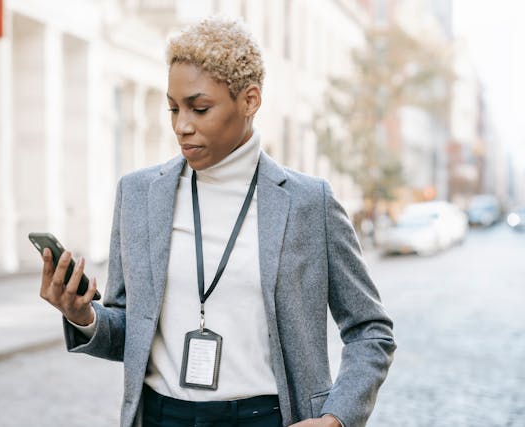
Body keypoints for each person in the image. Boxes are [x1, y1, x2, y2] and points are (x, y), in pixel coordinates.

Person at [40, 17, 395, 427]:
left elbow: (371, 330)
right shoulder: (138, 195)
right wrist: (83, 316)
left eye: (199, 107)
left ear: (250, 101)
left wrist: (336, 417)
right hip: (160, 416)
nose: (181, 125)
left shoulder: (309, 203)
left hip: (268, 417)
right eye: (173, 108)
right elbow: (129, 332)